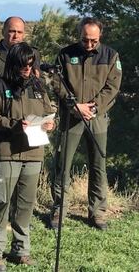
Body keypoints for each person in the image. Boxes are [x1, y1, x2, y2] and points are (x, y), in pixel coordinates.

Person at [0, 42, 54, 271]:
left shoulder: (38, 87)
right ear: (14, 63)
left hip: (34, 153)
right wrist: (13, 125)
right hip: (5, 153)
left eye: (31, 65)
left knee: (25, 205)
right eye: (23, 65)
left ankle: (21, 250)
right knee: (0, 203)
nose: (27, 69)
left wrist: (50, 123)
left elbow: (46, 111)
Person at [50, 17, 122, 231]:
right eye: (84, 40)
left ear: (100, 36)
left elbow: (113, 86)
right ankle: (58, 210)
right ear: (78, 35)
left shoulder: (111, 56)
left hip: (96, 118)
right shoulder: (65, 54)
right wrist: (75, 106)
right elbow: (57, 82)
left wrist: (94, 107)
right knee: (63, 164)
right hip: (71, 117)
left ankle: (97, 213)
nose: (89, 44)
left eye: (93, 40)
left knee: (98, 165)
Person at [0, 17, 40, 216]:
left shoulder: (33, 54)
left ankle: (14, 212)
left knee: (22, 170)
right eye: (12, 31)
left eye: (20, 32)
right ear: (3, 31)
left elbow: (36, 86)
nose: (16, 36)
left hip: (26, 123)